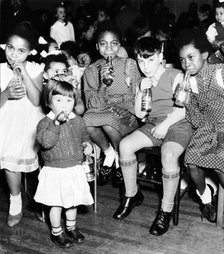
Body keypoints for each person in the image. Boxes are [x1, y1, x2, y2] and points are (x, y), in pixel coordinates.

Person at [113, 37, 193, 236]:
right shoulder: (143, 80)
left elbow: (184, 110)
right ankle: (132, 195)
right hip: (154, 123)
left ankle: (165, 210)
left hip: (178, 123)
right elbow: (140, 115)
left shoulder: (175, 75)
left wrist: (166, 125)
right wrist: (142, 89)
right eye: (141, 61)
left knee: (168, 155)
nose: (145, 66)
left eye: (150, 60)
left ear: (161, 56)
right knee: (125, 146)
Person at [34, 79, 94, 248]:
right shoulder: (44, 123)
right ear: (48, 102)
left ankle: (71, 227)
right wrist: (56, 124)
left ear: (74, 102)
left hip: (74, 169)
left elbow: (84, 136)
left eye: (69, 100)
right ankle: (56, 232)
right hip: (55, 171)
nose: (64, 105)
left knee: (72, 202)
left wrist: (87, 144)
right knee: (56, 204)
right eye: (58, 100)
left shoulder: (78, 120)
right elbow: (46, 142)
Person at [175, 27, 224, 223]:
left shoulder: (220, 72)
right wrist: (186, 103)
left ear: (204, 54)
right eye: (182, 60)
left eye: (191, 57)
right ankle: (205, 198)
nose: (186, 64)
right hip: (207, 126)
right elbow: (195, 116)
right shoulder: (189, 82)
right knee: (191, 160)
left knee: (222, 162)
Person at [83, 22, 141, 184]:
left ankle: (122, 156)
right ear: (97, 46)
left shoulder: (130, 65)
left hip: (126, 114)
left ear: (119, 45)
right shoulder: (91, 70)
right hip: (103, 110)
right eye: (103, 44)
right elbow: (92, 105)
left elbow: (137, 94)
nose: (109, 48)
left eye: (113, 43)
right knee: (86, 121)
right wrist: (102, 83)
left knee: (109, 122)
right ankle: (109, 152)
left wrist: (125, 108)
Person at [0, 21, 44, 227]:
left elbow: (36, 101)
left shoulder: (35, 68)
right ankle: (15, 200)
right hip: (6, 118)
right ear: (4, 46)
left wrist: (24, 73)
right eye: (10, 48)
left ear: (30, 52)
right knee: (8, 147)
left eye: (21, 51)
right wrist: (6, 93)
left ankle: (40, 199)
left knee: (35, 150)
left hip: (30, 119)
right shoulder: (0, 70)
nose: (14, 55)